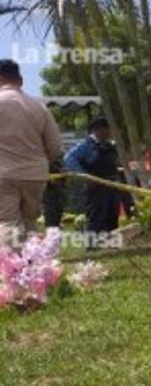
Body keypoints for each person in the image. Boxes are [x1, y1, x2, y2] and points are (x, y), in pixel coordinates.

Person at [0, 59, 62, 244]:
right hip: (35, 175)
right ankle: (32, 267)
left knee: (8, 223)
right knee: (30, 224)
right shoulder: (39, 107)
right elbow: (55, 147)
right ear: (20, 80)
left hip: (4, 174)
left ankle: (8, 270)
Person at [65, 117, 131, 247]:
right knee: (96, 216)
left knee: (112, 215)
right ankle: (92, 246)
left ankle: (110, 244)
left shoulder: (111, 146)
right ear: (96, 130)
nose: (106, 132)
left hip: (112, 185)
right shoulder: (87, 146)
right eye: (103, 129)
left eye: (108, 129)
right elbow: (69, 158)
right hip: (95, 187)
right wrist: (84, 176)